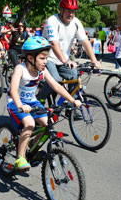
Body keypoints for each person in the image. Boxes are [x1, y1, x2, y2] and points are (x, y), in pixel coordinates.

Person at [7, 36, 82, 170]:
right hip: (16, 102)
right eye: (42, 58)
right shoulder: (20, 69)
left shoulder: (42, 70)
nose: (45, 61)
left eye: (46, 58)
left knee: (48, 125)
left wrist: (72, 100)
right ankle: (20, 157)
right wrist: (20, 106)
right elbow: (13, 90)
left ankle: (31, 148)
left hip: (32, 102)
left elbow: (56, 86)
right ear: (30, 58)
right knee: (29, 124)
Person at [38, 0, 100, 119]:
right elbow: (53, 43)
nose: (71, 14)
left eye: (73, 11)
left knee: (75, 76)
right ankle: (40, 99)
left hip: (63, 59)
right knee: (55, 80)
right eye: (68, 11)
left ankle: (70, 106)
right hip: (48, 57)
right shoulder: (52, 21)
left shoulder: (76, 23)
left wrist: (94, 60)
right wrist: (66, 60)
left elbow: (85, 42)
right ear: (61, 10)